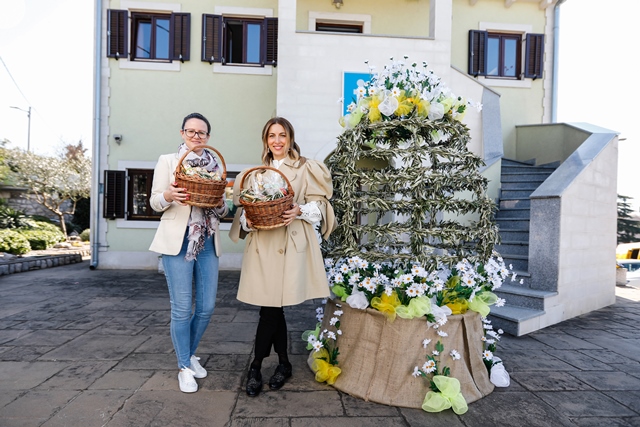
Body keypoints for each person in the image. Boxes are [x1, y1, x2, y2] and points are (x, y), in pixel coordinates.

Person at [230, 117, 337, 397]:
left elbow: (322, 205)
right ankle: (284, 364)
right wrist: (248, 223)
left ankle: (256, 366)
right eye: (271, 136)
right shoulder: (255, 174)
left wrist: (299, 210)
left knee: (271, 308)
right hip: (262, 247)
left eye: (282, 135)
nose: (277, 141)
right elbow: (244, 213)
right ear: (265, 140)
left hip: (290, 245)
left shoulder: (305, 168)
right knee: (272, 308)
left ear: (290, 138)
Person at [149, 112, 228, 393]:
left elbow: (223, 209)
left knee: (206, 307)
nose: (196, 136)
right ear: (182, 133)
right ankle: (184, 366)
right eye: (191, 131)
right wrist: (169, 196)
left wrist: (219, 203)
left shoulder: (215, 166)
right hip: (177, 240)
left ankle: (189, 354)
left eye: (202, 133)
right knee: (182, 308)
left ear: (208, 137)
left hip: (206, 239)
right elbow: (155, 201)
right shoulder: (168, 162)